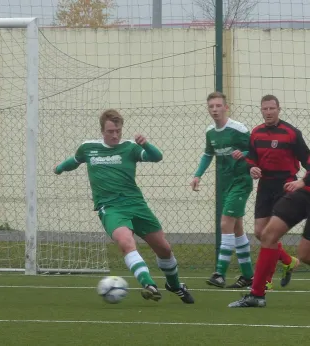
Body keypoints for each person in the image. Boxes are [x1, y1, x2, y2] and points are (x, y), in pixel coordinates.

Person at [53, 109, 194, 304]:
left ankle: (174, 285)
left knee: (164, 249)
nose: (115, 135)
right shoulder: (88, 148)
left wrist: (146, 144)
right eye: (110, 131)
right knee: (125, 242)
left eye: (118, 130)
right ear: (102, 130)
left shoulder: (130, 148)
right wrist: (59, 168)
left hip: (136, 205)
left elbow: (157, 157)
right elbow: (75, 161)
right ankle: (148, 284)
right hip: (110, 208)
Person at [190, 91, 254, 288]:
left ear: (226, 107)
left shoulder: (238, 129)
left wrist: (242, 153)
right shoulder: (210, 132)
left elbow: (255, 150)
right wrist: (197, 175)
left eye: (218, 106)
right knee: (236, 228)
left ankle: (220, 273)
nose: (215, 109)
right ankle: (248, 276)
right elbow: (208, 154)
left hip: (241, 181)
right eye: (211, 106)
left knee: (225, 222)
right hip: (225, 183)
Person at [245, 94, 306, 290]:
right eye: (265, 109)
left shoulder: (292, 133)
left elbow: (307, 159)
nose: (269, 112)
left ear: (279, 109)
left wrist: (302, 182)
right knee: (260, 233)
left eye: (272, 108)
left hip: (286, 186)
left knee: (271, 234)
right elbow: (251, 159)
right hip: (265, 187)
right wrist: (251, 168)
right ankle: (289, 261)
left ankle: (265, 282)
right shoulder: (255, 133)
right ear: (261, 110)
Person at [228, 175, 310, 307]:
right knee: (268, 235)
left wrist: (303, 180)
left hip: (304, 184)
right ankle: (256, 295)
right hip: (304, 191)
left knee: (305, 254)